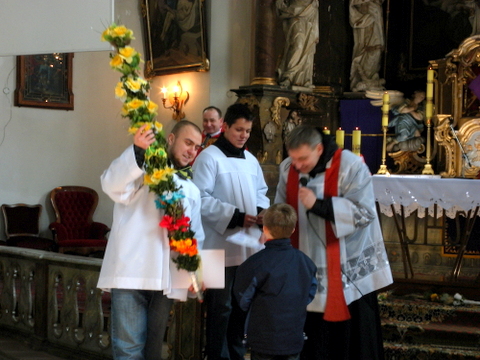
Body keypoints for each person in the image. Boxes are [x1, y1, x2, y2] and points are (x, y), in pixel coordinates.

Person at [275, 125, 393, 360]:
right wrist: (271, 223)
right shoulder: (288, 168)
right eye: (293, 158)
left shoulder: (351, 166)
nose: (297, 165)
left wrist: (318, 204)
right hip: (305, 258)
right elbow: (281, 206)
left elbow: (364, 213)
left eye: (303, 158)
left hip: (347, 266)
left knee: (349, 343)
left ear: (319, 149)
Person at [97, 120, 205, 360]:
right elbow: (111, 184)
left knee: (154, 348)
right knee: (128, 348)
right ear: (171, 139)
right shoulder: (143, 169)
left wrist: (197, 272)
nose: (192, 151)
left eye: (197, 147)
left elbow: (196, 234)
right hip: (131, 271)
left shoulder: (191, 188)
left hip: (167, 276)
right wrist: (137, 150)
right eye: (188, 143)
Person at [192, 103, 270, 360]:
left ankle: (237, 354)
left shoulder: (251, 160)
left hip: (247, 245)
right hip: (215, 246)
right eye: (239, 129)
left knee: (240, 306)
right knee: (219, 307)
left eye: (247, 130)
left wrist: (260, 211)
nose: (244, 135)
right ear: (225, 126)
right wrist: (236, 216)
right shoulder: (208, 157)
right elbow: (200, 199)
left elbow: (262, 192)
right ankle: (216, 355)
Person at [233, 203, 317, 360]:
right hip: (293, 336)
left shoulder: (255, 263)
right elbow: (309, 293)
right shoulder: (305, 262)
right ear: (292, 230)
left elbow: (243, 299)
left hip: (263, 338)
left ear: (264, 228)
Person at [276, 0, 319, 88]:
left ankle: (305, 79)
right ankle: (288, 76)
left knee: (308, 50)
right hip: (295, 15)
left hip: (310, 14)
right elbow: (280, 4)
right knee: (297, 46)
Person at [349, 0, 385, 92]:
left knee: (376, 52)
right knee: (371, 52)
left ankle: (370, 81)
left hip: (375, 14)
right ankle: (364, 81)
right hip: (367, 17)